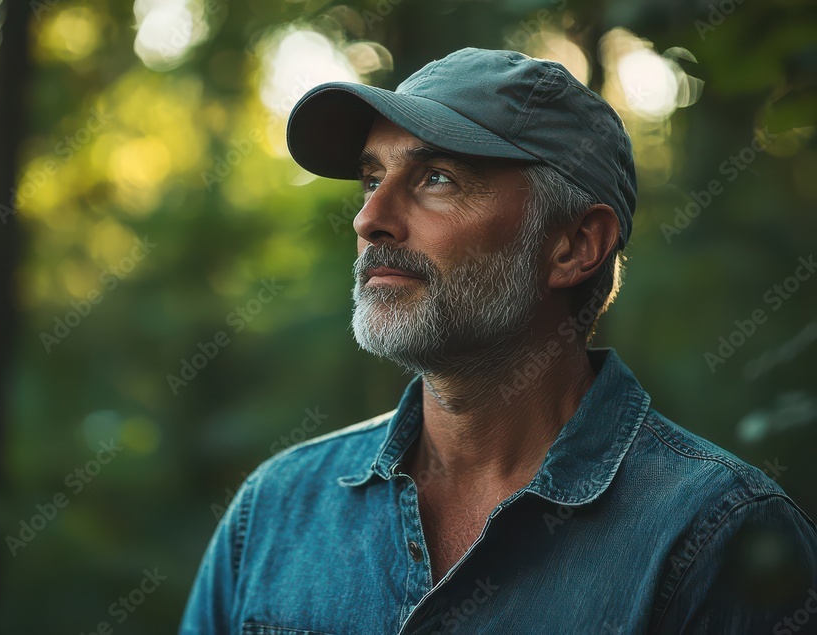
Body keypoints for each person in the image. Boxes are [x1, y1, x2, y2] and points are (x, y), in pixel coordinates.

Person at [179, 48, 817, 634]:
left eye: (437, 179)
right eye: (372, 179)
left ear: (574, 246)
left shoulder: (715, 537)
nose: (369, 218)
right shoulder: (276, 511)